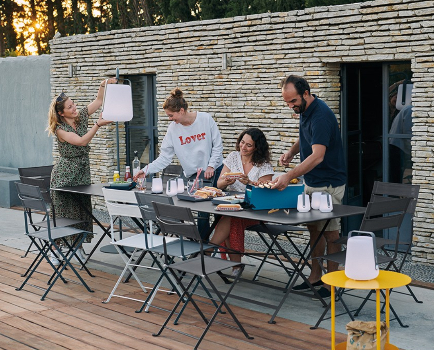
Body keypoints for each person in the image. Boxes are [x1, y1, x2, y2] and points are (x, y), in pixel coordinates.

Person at [271, 75, 346, 299]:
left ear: (305, 94)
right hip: (312, 182)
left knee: (331, 233)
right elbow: (306, 137)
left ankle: (332, 285)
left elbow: (318, 156)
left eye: (293, 101)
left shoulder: (321, 115)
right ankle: (315, 277)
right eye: (287, 102)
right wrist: (292, 152)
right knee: (314, 229)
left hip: (329, 184)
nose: (291, 107)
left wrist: (288, 176)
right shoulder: (306, 110)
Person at [133, 87, 223, 239]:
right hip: (194, 175)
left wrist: (211, 165)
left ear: (181, 110)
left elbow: (218, 146)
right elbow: (164, 158)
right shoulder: (173, 129)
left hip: (215, 171)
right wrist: (146, 170)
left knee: (214, 213)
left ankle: (215, 248)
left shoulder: (205, 119)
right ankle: (201, 248)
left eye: (171, 115)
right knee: (199, 213)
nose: (170, 119)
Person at [47, 78, 116, 265]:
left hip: (82, 172)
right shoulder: (60, 129)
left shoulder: (80, 117)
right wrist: (97, 125)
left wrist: (104, 84)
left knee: (81, 210)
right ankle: (56, 250)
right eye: (70, 107)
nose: (74, 107)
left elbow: (99, 101)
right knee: (62, 213)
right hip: (65, 175)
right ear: (61, 113)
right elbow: (81, 141)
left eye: (74, 104)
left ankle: (77, 248)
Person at [210, 128, 274, 276]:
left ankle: (209, 249)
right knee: (231, 216)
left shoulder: (264, 165)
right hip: (232, 205)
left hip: (255, 210)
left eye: (248, 145)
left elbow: (265, 192)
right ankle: (235, 265)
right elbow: (218, 185)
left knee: (232, 218)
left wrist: (249, 182)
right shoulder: (233, 156)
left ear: (257, 147)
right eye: (242, 142)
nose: (243, 147)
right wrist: (226, 181)